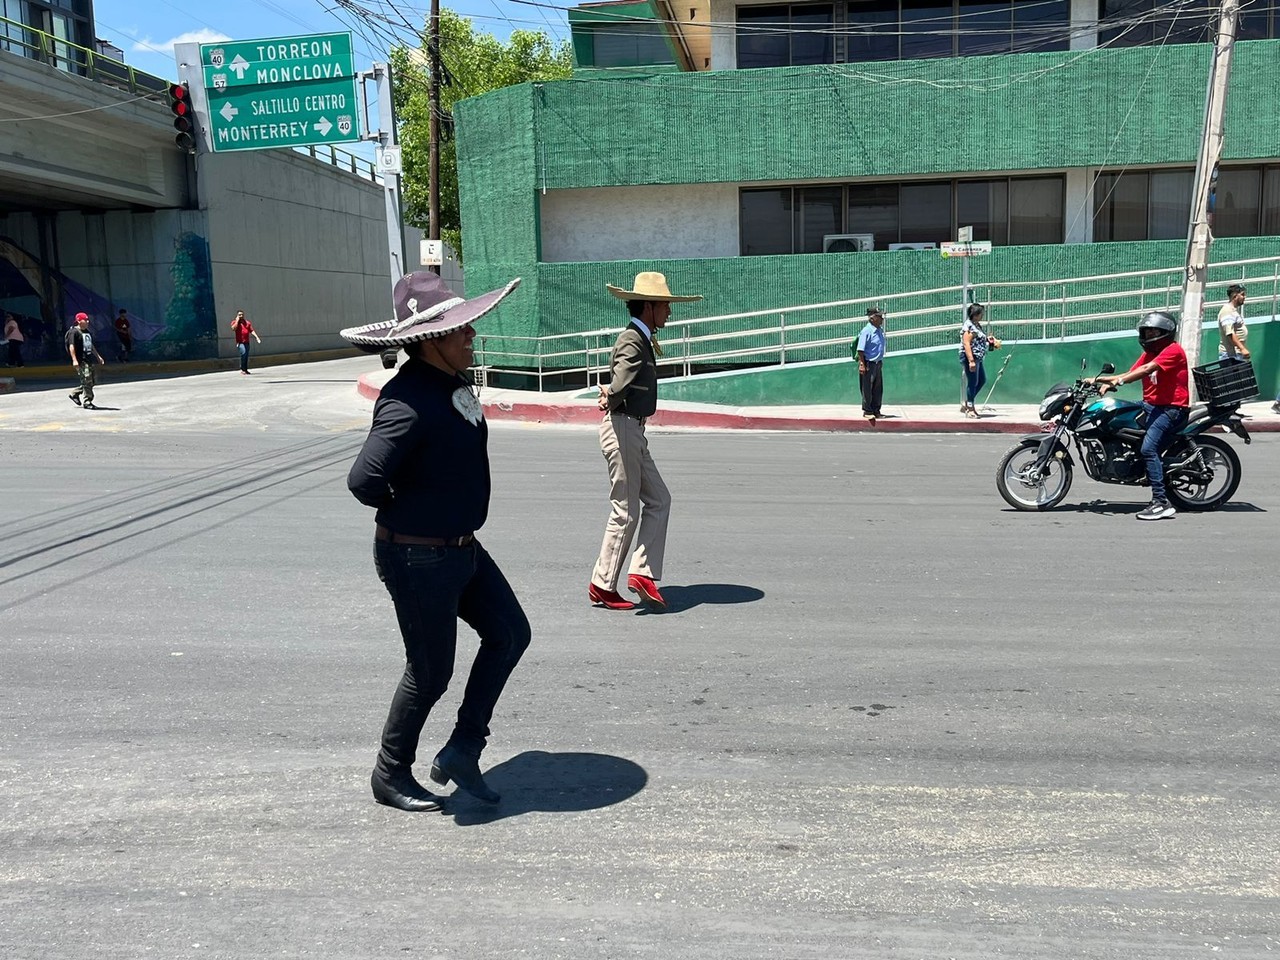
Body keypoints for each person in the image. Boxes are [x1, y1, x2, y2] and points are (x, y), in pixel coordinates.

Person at [343, 271, 530, 812]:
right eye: (461, 331)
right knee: (430, 671)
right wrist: (415, 510)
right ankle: (390, 773)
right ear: (429, 341)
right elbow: (364, 481)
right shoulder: (407, 400)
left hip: (460, 547)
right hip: (417, 554)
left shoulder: (450, 385)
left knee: (510, 633)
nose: (471, 337)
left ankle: (464, 748)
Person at [589, 271, 702, 611]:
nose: (669, 312)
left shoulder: (642, 337)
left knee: (660, 499)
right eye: (665, 306)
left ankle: (640, 573)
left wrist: (613, 394)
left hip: (633, 429)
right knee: (626, 511)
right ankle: (603, 584)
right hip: (622, 427)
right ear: (649, 307)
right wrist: (611, 394)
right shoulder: (632, 339)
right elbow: (622, 375)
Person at [1094, 311, 1189, 521]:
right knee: (1116, 411)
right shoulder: (1150, 353)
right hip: (1152, 406)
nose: (1148, 335)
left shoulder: (1173, 351)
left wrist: (1117, 383)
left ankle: (1161, 503)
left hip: (1171, 409)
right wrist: (1097, 381)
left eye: (1153, 331)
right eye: (1146, 331)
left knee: (1149, 448)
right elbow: (1129, 373)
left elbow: (1146, 370)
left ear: (1165, 332)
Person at [958, 302, 1000, 418]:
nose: (983, 315)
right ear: (975, 314)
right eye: (981, 313)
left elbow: (979, 339)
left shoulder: (977, 325)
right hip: (971, 357)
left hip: (978, 357)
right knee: (972, 382)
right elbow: (966, 343)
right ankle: (970, 409)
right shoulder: (969, 326)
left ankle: (968, 402)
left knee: (981, 380)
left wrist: (989, 341)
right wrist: (971, 361)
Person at [66, 312, 105, 409]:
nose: (88, 321)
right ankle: (88, 401)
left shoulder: (86, 331)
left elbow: (90, 345)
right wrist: (74, 360)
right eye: (85, 319)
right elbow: (72, 346)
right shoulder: (74, 332)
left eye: (88, 319)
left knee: (92, 381)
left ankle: (75, 393)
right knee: (87, 381)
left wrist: (98, 356)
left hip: (88, 359)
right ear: (79, 321)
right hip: (81, 361)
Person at [855, 306, 886, 421]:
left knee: (878, 388)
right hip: (868, 363)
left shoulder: (879, 330)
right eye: (879, 317)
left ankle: (876, 410)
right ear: (872, 319)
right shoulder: (866, 331)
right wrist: (862, 364)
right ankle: (867, 410)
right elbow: (860, 350)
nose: (882, 319)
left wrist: (880, 360)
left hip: (877, 363)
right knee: (867, 388)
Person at [1217, 284, 1248, 362]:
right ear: (1235, 296)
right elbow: (1229, 333)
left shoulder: (1232, 310)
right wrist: (1242, 349)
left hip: (1236, 354)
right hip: (1230, 355)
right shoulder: (1227, 311)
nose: (1244, 297)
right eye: (1242, 295)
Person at [231, 310, 261, 375]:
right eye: (239, 315)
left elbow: (251, 330)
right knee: (243, 353)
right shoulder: (234, 322)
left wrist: (257, 337)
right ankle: (242, 368)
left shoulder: (247, 323)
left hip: (246, 342)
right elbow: (233, 329)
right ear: (237, 315)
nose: (241, 316)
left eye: (242, 315)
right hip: (240, 342)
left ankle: (245, 369)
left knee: (246, 355)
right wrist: (237, 321)